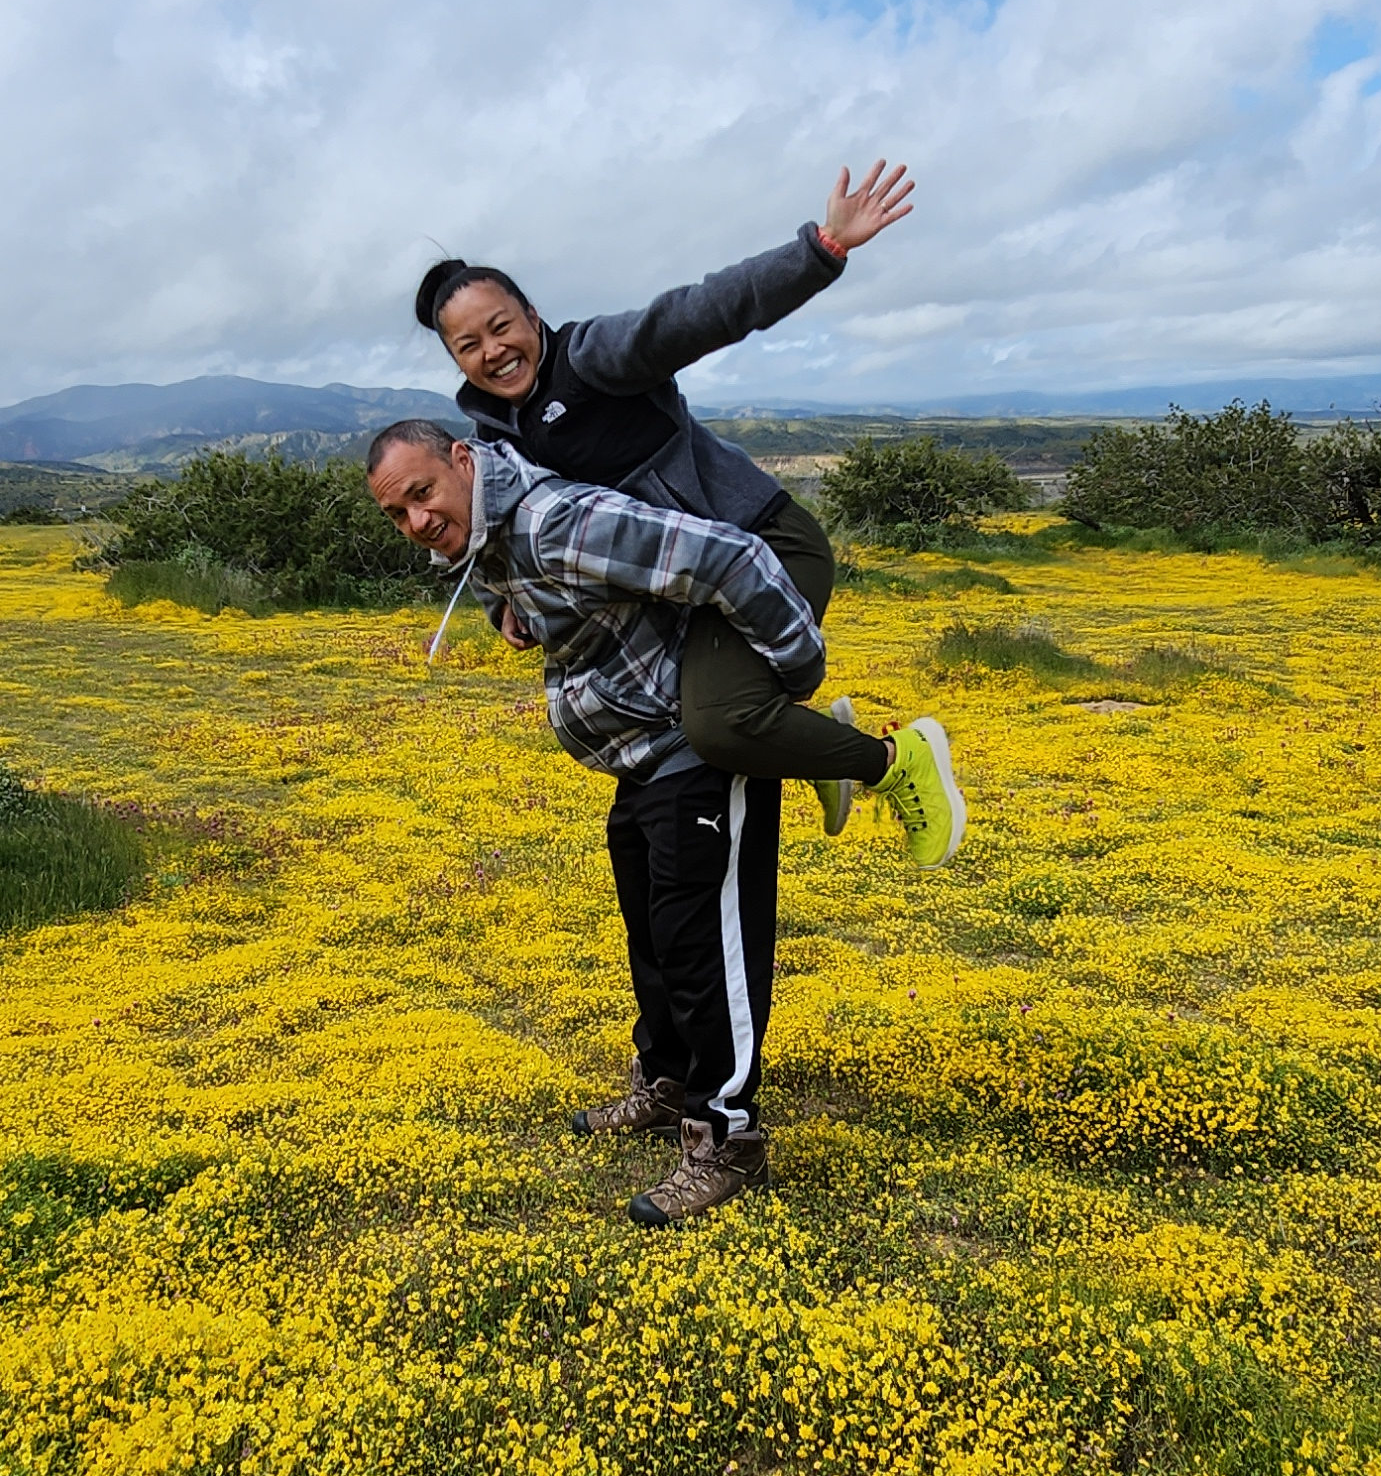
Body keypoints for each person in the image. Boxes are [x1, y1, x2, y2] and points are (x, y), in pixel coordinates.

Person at [364, 417, 963, 1227]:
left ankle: (727, 1136)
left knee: (705, 946)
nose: (416, 523)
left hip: (690, 748)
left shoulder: (554, 521)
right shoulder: (493, 538)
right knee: (654, 930)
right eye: (397, 514)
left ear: (461, 461)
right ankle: (669, 1080)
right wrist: (504, 607)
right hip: (636, 754)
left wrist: (787, 673)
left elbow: (730, 558)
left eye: (422, 494)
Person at [413, 162, 913, 839]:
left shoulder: (591, 359)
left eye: (502, 326)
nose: (493, 352)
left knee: (716, 723)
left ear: (532, 316)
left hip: (765, 546)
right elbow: (483, 532)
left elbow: (698, 313)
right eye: (468, 345)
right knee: (690, 723)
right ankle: (812, 748)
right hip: (692, 595)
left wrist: (819, 251)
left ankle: (890, 760)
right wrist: (500, 607)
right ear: (455, 359)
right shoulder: (489, 440)